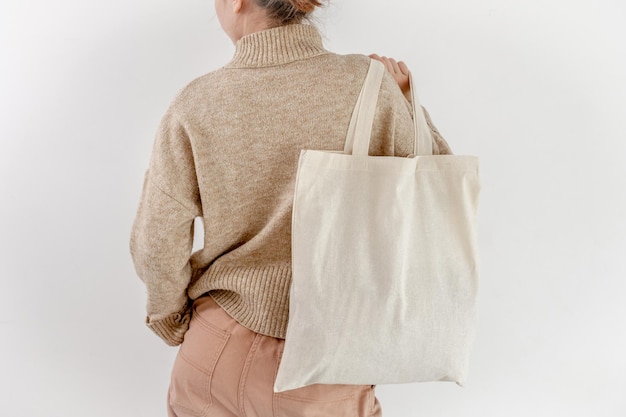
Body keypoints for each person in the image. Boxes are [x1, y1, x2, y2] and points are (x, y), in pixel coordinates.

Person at [130, 0, 451, 416]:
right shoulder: (369, 86)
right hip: (325, 366)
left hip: (213, 350)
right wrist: (405, 101)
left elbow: (157, 241)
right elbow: (440, 190)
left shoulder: (197, 101)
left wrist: (171, 319)